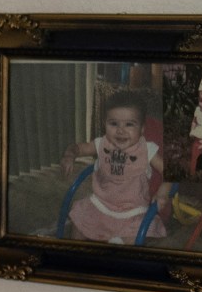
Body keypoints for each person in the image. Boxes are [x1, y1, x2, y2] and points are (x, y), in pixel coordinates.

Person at [64, 92, 163, 245]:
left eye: (129, 124)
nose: (120, 130)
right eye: (113, 124)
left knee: (137, 236)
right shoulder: (102, 143)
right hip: (101, 204)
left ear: (142, 129)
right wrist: (69, 155)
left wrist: (164, 191)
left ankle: (118, 246)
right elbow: (77, 148)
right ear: (105, 124)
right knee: (79, 221)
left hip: (133, 210)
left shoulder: (146, 149)